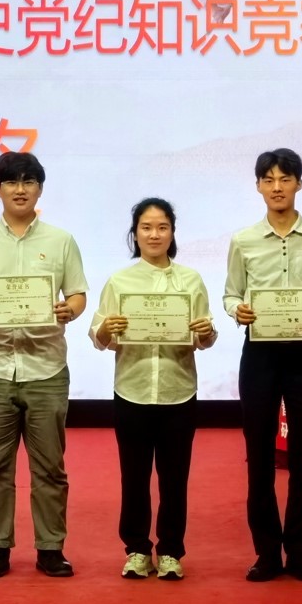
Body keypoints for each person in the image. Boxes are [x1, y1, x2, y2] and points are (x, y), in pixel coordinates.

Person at [0, 151, 88, 578]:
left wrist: (69, 309)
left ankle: (51, 548)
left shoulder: (61, 241)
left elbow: (78, 294)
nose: (20, 189)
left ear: (40, 189)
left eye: (29, 181)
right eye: (11, 182)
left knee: (50, 468)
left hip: (46, 368)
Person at [223, 148, 302, 583]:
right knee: (260, 455)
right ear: (257, 186)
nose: (276, 187)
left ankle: (300, 552)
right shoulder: (244, 240)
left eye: (285, 179)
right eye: (268, 179)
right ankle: (267, 552)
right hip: (261, 355)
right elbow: (231, 293)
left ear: (299, 184)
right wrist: (238, 310)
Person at [90, 198, 217, 581]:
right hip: (133, 390)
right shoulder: (120, 281)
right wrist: (105, 329)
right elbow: (98, 337)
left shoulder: (190, 280)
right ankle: (136, 550)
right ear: (135, 233)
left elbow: (205, 337)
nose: (154, 234)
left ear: (172, 233)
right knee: (134, 477)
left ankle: (172, 552)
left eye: (162, 227)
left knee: (175, 479)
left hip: (179, 391)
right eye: (146, 227)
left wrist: (207, 332)